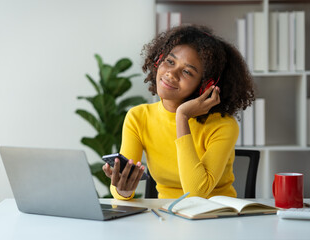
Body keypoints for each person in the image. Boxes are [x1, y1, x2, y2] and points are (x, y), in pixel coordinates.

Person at [102, 25, 255, 200]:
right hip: (165, 216)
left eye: (187, 71)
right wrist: (123, 189)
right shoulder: (138, 117)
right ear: (159, 60)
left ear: (206, 85)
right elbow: (121, 189)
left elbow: (196, 193)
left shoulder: (223, 125)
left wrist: (182, 116)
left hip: (216, 217)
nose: (171, 73)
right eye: (170, 61)